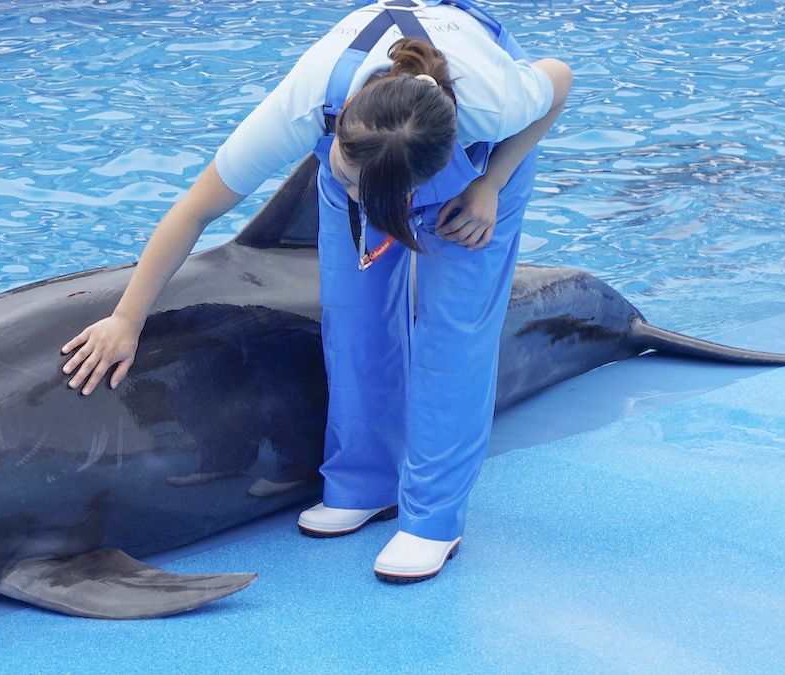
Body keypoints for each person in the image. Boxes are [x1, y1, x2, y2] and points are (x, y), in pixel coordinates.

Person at [60, 0, 572, 583]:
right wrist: (127, 318)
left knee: (451, 337)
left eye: (374, 196)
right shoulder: (305, 104)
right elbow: (195, 210)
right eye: (349, 180)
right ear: (345, 114)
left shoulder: (491, 103)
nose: (359, 200)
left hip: (477, 180)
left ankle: (433, 519)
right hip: (385, 156)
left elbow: (557, 80)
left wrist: (490, 184)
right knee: (352, 321)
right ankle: (363, 483)